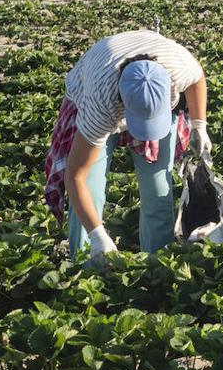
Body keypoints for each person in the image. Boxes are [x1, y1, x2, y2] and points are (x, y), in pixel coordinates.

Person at [43, 30, 211, 263]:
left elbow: (197, 78)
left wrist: (199, 125)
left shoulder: (177, 66)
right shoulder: (99, 104)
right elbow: (76, 176)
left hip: (146, 74)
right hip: (95, 83)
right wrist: (98, 234)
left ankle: (157, 263)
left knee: (158, 188)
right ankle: (86, 260)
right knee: (91, 187)